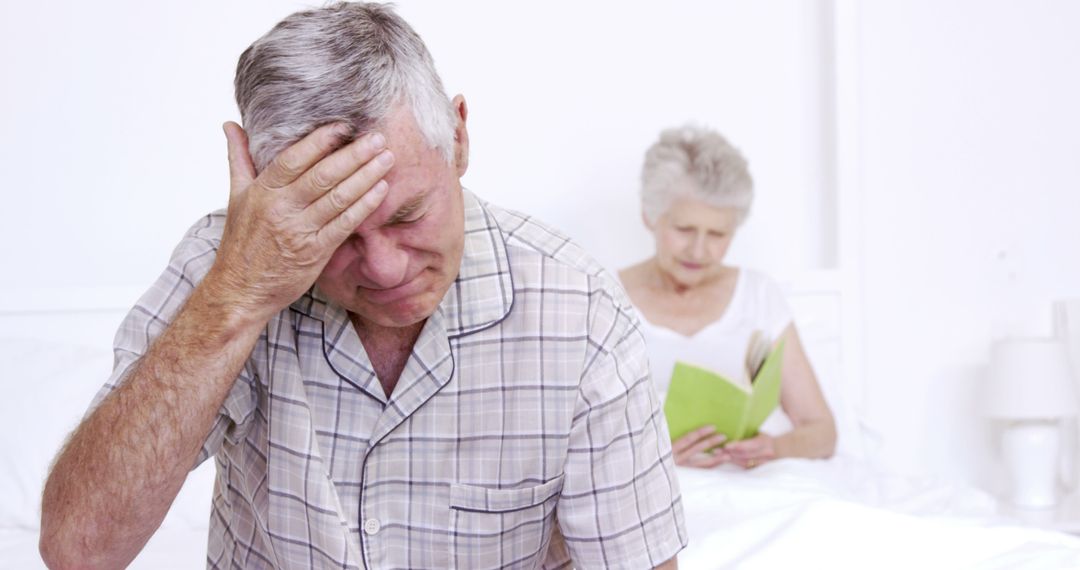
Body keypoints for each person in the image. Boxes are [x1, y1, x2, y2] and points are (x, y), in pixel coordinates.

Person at [38, 4, 686, 568]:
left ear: (459, 137)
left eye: (407, 215)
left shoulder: (581, 309)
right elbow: (79, 548)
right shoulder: (229, 265)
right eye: (333, 231)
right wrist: (234, 298)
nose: (383, 268)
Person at [618, 125, 836, 471]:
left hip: (751, 484)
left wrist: (773, 447)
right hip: (656, 492)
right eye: (684, 230)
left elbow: (822, 433)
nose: (699, 250)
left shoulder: (758, 295)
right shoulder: (606, 299)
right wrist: (651, 460)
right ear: (650, 216)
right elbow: (568, 441)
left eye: (718, 234)